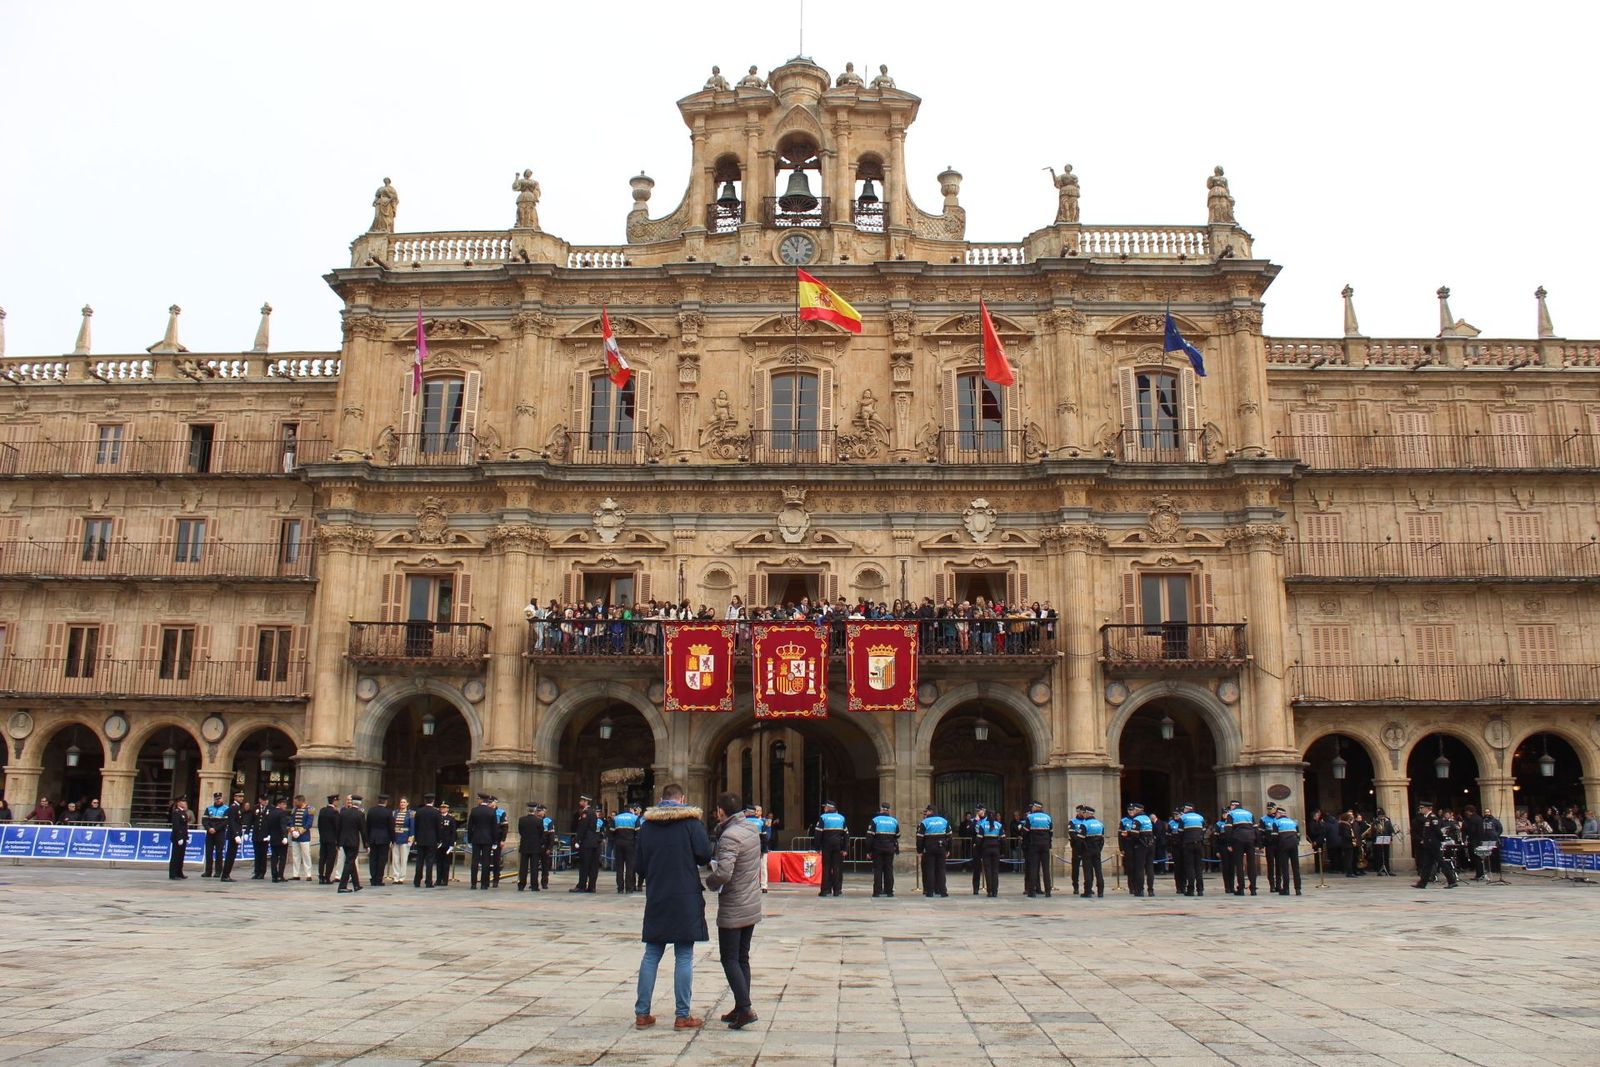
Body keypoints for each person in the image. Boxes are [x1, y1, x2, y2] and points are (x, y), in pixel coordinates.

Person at [633, 783, 712, 1031]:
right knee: (684, 955)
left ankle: (642, 1013)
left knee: (651, 953)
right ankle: (682, 1015)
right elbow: (704, 855)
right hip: (685, 894)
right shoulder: (691, 823)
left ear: (661, 799)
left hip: (657, 894)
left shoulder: (646, 826)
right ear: (683, 798)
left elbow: (639, 865)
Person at [705, 791, 762, 1030]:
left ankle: (746, 1007)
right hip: (751, 901)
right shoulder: (751, 829)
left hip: (735, 905)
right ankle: (740, 1006)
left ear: (721, 811)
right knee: (742, 957)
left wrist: (710, 882)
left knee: (729, 958)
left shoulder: (729, 836)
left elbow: (725, 873)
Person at [1223, 800, 1258, 896]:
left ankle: (1241, 888)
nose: (1230, 807)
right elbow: (1256, 828)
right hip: (1250, 839)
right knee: (1251, 864)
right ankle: (1253, 889)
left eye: (1231, 805)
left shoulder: (1231, 814)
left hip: (1238, 839)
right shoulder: (1249, 813)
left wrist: (1229, 843)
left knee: (1239, 865)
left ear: (1234, 806)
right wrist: (1258, 843)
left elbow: (1228, 829)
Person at [813, 801, 847, 897]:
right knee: (837, 868)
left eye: (825, 807)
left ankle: (825, 890)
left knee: (826, 868)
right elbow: (846, 835)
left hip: (827, 846)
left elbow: (818, 834)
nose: (824, 808)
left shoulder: (823, 817)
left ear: (829, 808)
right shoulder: (841, 818)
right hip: (838, 846)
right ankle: (837, 890)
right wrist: (845, 848)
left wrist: (817, 847)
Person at [916, 804, 951, 898]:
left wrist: (919, 850)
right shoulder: (944, 821)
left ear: (930, 811)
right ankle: (942, 891)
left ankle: (930, 892)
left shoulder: (925, 822)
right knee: (941, 870)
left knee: (930, 870)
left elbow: (920, 838)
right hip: (941, 848)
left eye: (927, 811)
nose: (926, 813)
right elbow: (949, 836)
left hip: (929, 848)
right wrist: (948, 849)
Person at [867, 802, 900, 898]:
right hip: (889, 848)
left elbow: (870, 836)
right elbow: (897, 835)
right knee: (889, 869)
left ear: (881, 809)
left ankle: (877, 891)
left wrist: (868, 851)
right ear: (888, 810)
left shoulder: (875, 820)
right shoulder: (894, 821)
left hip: (877, 848)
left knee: (878, 870)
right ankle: (889, 891)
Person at [1022, 801, 1053, 898]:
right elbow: (1051, 832)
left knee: (1033, 868)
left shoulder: (1030, 817)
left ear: (1036, 807)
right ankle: (1048, 891)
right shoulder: (1048, 817)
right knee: (1046, 869)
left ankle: (1032, 891)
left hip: (1034, 845)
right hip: (1045, 845)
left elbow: (1025, 832)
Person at [467, 793, 498, 890]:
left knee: (475, 861)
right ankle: (484, 884)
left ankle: (473, 883)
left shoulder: (474, 810)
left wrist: (469, 839)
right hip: (487, 838)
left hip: (476, 838)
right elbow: (494, 828)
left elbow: (470, 826)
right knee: (486, 861)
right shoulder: (491, 811)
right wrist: (495, 841)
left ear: (481, 800)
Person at [571, 794, 601, 893]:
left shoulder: (586, 813)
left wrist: (577, 840)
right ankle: (592, 886)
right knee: (593, 865)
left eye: (581, 800)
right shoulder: (593, 812)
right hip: (594, 841)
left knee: (584, 864)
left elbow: (582, 828)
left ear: (586, 802)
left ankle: (581, 885)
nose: (580, 802)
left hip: (587, 842)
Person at [337, 795, 366, 893]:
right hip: (353, 841)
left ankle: (356, 884)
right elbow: (363, 831)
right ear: (360, 803)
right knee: (349, 862)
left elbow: (338, 828)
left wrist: (338, 842)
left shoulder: (344, 813)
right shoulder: (360, 814)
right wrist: (366, 844)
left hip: (344, 841)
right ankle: (342, 886)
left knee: (351, 861)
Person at [412, 794, 442, 888]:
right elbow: (438, 827)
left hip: (420, 839)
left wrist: (416, 838)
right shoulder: (436, 812)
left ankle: (417, 881)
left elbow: (415, 826)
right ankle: (428, 882)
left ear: (425, 801)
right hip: (431, 839)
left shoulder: (419, 812)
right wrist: (439, 839)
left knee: (419, 861)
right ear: (433, 801)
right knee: (430, 861)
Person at [974, 806, 1004, 897]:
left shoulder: (983, 825)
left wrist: (978, 847)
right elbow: (1003, 839)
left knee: (988, 870)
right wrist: (1001, 850)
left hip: (986, 849)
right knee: (995, 871)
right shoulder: (999, 825)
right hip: (996, 849)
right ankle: (995, 891)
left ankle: (989, 891)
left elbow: (979, 839)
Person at [1076, 806, 1106, 898]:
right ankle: (1100, 891)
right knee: (1098, 871)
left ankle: (1088, 891)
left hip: (1087, 851)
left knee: (1088, 871)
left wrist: (1079, 852)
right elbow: (1102, 840)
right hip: (1097, 850)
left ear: (1088, 813)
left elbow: (1080, 841)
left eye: (1084, 813)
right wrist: (1099, 849)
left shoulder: (1084, 824)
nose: (1083, 814)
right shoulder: (1100, 824)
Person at [1178, 804, 1207, 896]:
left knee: (1190, 867)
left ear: (1187, 809)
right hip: (1198, 843)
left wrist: (1183, 841)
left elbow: (1180, 832)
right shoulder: (1200, 817)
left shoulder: (1183, 817)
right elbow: (1204, 830)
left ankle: (1190, 889)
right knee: (1198, 867)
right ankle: (1200, 889)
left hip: (1188, 844)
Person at [365, 794, 394, 887]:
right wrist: (393, 839)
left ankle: (373, 878)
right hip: (384, 839)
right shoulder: (388, 812)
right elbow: (391, 827)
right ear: (386, 802)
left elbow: (367, 826)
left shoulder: (371, 811)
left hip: (372, 838)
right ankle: (379, 879)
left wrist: (367, 839)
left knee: (373, 859)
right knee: (382, 860)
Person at [1274, 807, 1303, 896]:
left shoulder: (1276, 822)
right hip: (1294, 844)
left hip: (1283, 845)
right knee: (1296, 868)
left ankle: (1286, 889)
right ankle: (1298, 889)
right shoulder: (1293, 822)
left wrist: (1277, 847)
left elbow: (1275, 836)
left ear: (1279, 813)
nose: (1275, 815)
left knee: (1285, 868)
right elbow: (1298, 835)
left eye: (1276, 813)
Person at [287, 795, 315, 882]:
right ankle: (296, 874)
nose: (295, 803)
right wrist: (292, 829)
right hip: (295, 835)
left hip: (304, 836)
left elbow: (309, 823)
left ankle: (308, 874)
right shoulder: (294, 809)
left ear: (301, 801)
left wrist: (299, 832)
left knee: (306, 855)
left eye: (296, 802)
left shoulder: (311, 808)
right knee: (296, 856)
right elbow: (291, 820)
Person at [517, 802, 544, 891]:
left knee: (523, 867)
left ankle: (521, 885)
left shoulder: (522, 819)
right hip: (535, 846)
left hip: (524, 845)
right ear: (535, 810)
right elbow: (541, 834)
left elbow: (520, 831)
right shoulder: (539, 821)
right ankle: (534, 885)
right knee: (534, 867)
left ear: (527, 809)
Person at [387, 798, 414, 885]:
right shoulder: (394, 812)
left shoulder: (411, 813)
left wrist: (411, 839)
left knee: (404, 859)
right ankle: (395, 877)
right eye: (401, 802)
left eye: (404, 802)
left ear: (407, 804)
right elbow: (391, 826)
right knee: (395, 859)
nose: (402, 803)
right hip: (396, 837)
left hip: (405, 838)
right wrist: (391, 838)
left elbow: (412, 827)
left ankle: (402, 877)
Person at [221, 791, 246, 882]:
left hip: (236, 834)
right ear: (235, 797)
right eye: (239, 797)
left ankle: (227, 874)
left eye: (242, 797)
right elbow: (231, 822)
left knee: (232, 855)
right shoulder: (233, 808)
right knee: (230, 855)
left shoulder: (238, 807)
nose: (241, 798)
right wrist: (236, 834)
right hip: (233, 835)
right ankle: (225, 875)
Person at [316, 794, 341, 884]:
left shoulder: (322, 810)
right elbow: (337, 827)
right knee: (331, 858)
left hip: (323, 838)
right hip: (332, 839)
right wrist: (338, 840)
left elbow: (319, 825)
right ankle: (327, 877)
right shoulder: (335, 812)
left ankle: (321, 876)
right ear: (334, 801)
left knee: (322, 857)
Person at [264, 799, 290, 882]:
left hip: (273, 838)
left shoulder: (271, 812)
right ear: (280, 804)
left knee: (274, 857)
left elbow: (267, 825)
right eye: (284, 804)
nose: (285, 806)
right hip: (281, 838)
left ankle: (274, 875)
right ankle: (280, 875)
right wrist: (285, 836)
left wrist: (268, 834)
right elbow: (283, 825)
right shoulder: (282, 813)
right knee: (282, 857)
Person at [167, 798, 190, 880]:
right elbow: (176, 826)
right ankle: (173, 874)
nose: (185, 803)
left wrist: (186, 837)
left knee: (181, 856)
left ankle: (179, 872)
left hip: (183, 837)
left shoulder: (183, 812)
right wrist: (179, 837)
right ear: (179, 803)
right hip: (178, 837)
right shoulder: (176, 812)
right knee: (175, 856)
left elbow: (185, 827)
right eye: (183, 802)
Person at [436, 802, 457, 886]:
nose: (443, 809)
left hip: (447, 842)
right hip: (438, 843)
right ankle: (438, 879)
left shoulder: (451, 818)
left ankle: (445, 880)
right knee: (438, 862)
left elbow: (453, 832)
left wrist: (452, 843)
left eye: (444, 808)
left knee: (446, 862)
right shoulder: (437, 817)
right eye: (442, 808)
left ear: (447, 809)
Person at [1369, 809, 1396, 876]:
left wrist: (1390, 839)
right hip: (1378, 841)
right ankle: (1379, 870)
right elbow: (1372, 832)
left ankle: (1388, 869)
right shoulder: (1375, 822)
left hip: (1386, 840)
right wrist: (1375, 840)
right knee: (1379, 856)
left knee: (1386, 855)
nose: (1381, 817)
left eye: (1382, 816)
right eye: (1380, 816)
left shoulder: (1388, 822)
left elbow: (1390, 831)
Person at [536, 803, 555, 889]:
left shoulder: (548, 820)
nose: (538, 812)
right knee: (534, 865)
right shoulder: (534, 819)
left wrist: (550, 848)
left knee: (545, 866)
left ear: (544, 811)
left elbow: (551, 835)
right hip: (536, 845)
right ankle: (534, 882)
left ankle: (544, 882)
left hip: (545, 846)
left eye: (540, 811)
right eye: (537, 811)